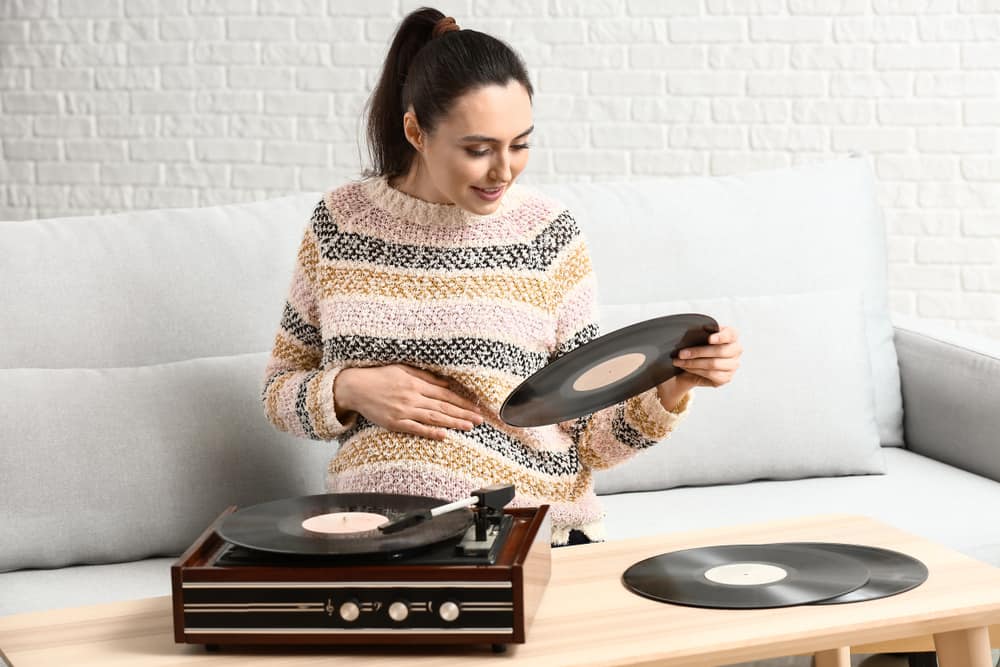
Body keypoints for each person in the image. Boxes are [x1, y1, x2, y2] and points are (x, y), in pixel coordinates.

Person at [262, 7, 743, 547]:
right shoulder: (340, 223)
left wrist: (675, 386)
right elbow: (280, 392)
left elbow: (592, 439)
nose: (503, 171)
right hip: (374, 537)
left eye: (520, 144)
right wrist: (350, 388)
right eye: (478, 149)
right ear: (416, 130)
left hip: (524, 532)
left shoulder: (546, 234)